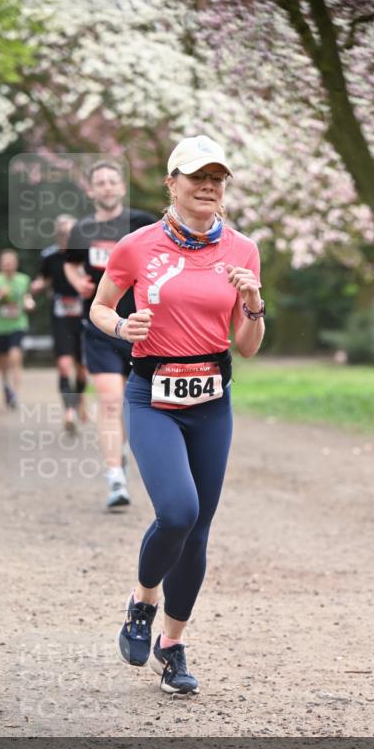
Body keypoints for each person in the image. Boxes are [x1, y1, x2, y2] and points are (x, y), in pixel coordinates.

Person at [90, 134, 265, 694]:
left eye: (217, 178)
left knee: (199, 530)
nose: (209, 186)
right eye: (197, 176)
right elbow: (99, 306)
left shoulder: (242, 249)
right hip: (152, 396)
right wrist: (122, 326)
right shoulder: (136, 245)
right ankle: (142, 601)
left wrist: (254, 304)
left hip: (212, 399)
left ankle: (172, 645)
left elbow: (249, 345)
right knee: (178, 512)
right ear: (172, 183)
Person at [64, 161, 157, 508]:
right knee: (110, 400)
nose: (106, 187)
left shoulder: (143, 224)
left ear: (122, 187)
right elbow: (71, 263)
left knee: (138, 402)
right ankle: (115, 476)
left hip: (142, 327)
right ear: (91, 190)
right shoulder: (83, 229)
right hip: (101, 326)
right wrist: (77, 282)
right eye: (99, 182)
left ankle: (128, 451)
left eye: (111, 181)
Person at [31, 214, 88, 433]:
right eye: (63, 231)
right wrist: (36, 286)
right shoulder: (50, 256)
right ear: (57, 233)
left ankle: (79, 399)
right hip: (61, 316)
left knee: (82, 370)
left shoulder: (86, 254)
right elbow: (43, 278)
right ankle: (70, 412)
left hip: (84, 316)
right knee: (64, 365)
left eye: (71, 231)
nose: (67, 235)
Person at [0, 248, 36, 409]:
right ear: (0, 264)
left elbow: (27, 298)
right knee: (3, 359)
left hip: (18, 324)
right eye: (5, 263)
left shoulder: (23, 280)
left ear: (16, 264)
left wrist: (29, 304)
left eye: (11, 263)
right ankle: (6, 385)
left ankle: (15, 394)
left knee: (15, 355)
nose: (8, 266)